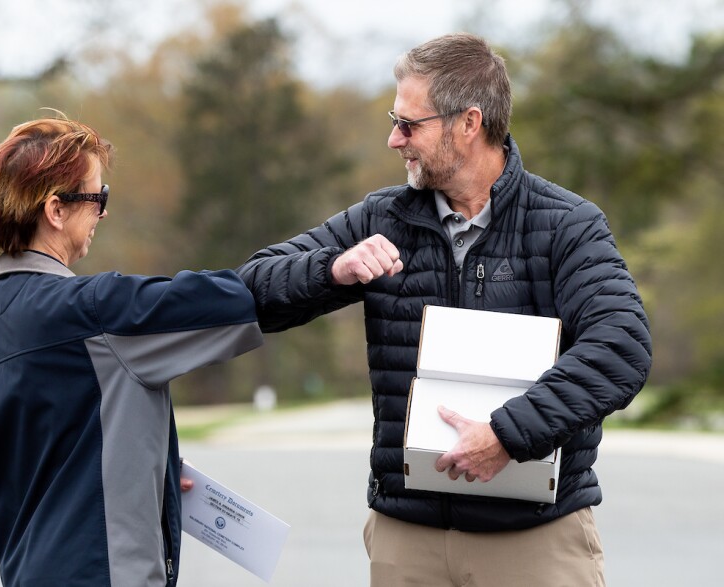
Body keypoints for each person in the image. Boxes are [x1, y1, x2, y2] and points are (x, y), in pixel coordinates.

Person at [237, 33, 652, 586]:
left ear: (468, 123)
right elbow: (249, 288)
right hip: (407, 538)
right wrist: (332, 269)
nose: (393, 139)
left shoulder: (567, 226)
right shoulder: (379, 218)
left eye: (409, 124)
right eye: (393, 119)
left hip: (535, 539)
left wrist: (508, 434)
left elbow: (621, 347)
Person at [0, 114, 263, 587]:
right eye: (99, 198)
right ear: (55, 210)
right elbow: (246, 296)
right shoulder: (90, 311)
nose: (103, 212)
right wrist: (334, 264)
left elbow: (59, 459)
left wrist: (147, 466)